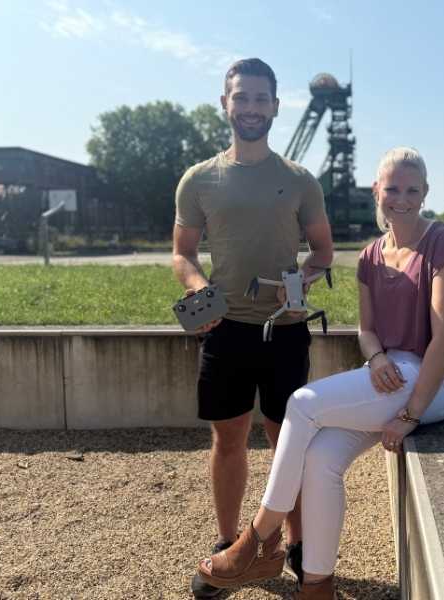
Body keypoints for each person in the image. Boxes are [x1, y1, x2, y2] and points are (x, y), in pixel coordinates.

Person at [195, 147, 444, 599]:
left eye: (412, 190)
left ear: (425, 194)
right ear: (376, 192)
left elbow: (443, 339)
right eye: (392, 189)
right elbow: (367, 331)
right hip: (391, 374)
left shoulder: (443, 243)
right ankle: (317, 585)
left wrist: (411, 415)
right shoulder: (369, 257)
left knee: (302, 404)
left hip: (436, 385)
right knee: (320, 459)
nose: (401, 198)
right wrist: (378, 357)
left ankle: (259, 541)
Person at [172, 57, 333, 599]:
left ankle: (297, 545)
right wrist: (198, 287)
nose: (251, 109)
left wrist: (304, 279)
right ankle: (227, 543)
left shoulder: (299, 180)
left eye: (261, 99)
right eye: (241, 98)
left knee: (288, 440)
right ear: (225, 104)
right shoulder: (199, 179)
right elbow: (183, 254)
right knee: (228, 439)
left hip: (284, 329)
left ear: (275, 108)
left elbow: (324, 251)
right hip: (226, 329)